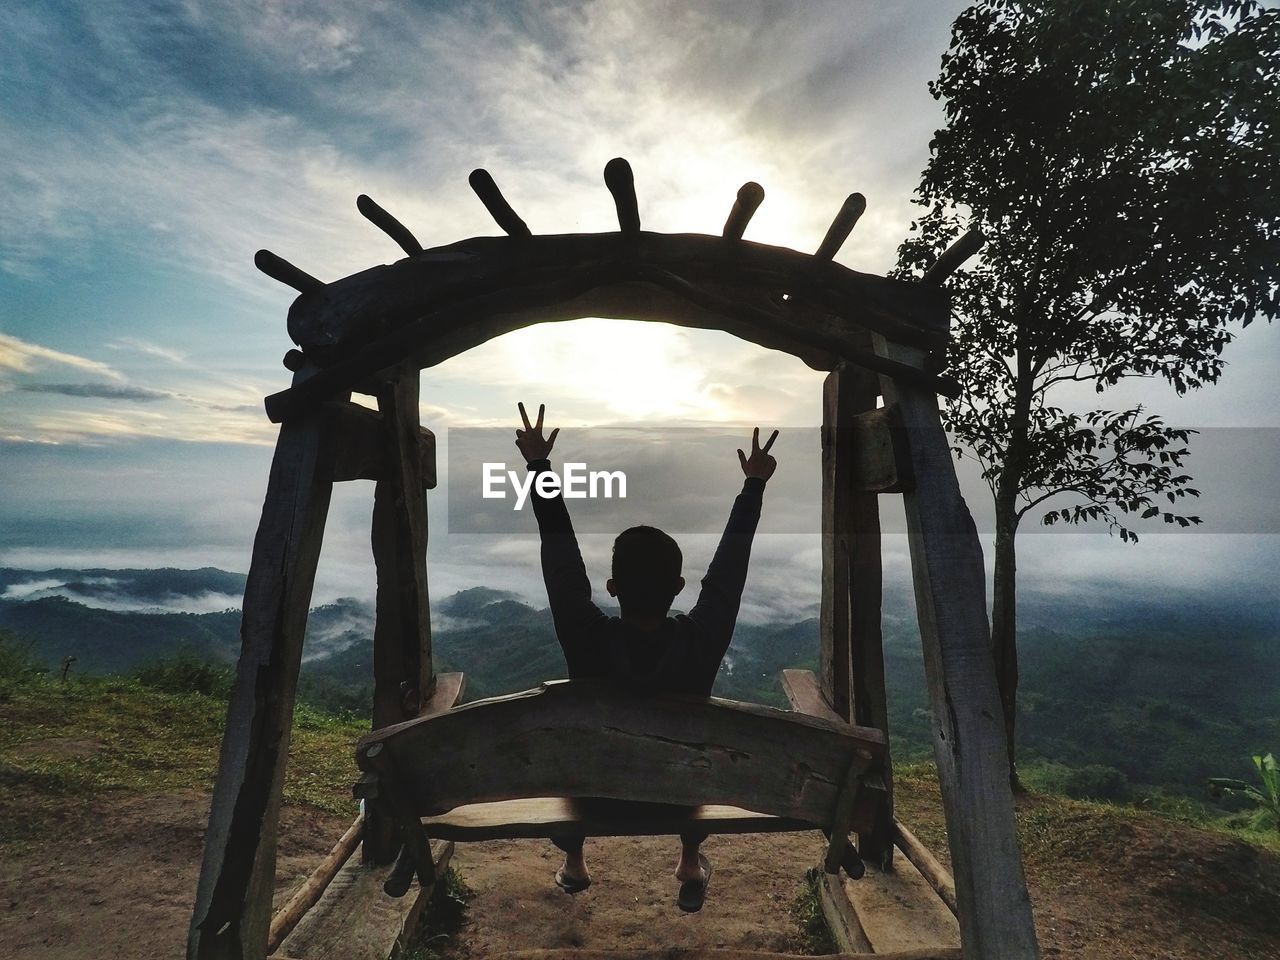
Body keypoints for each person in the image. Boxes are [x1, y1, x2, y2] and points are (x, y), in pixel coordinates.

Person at [515, 401, 778, 912]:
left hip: (595, 794)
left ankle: (575, 864)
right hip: (677, 792)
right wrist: (753, 486)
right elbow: (729, 572)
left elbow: (561, 559)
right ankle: (688, 860)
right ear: (680, 588)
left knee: (572, 758)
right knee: (692, 761)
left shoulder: (586, 637)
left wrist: (539, 467)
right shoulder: (701, 640)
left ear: (610, 587)